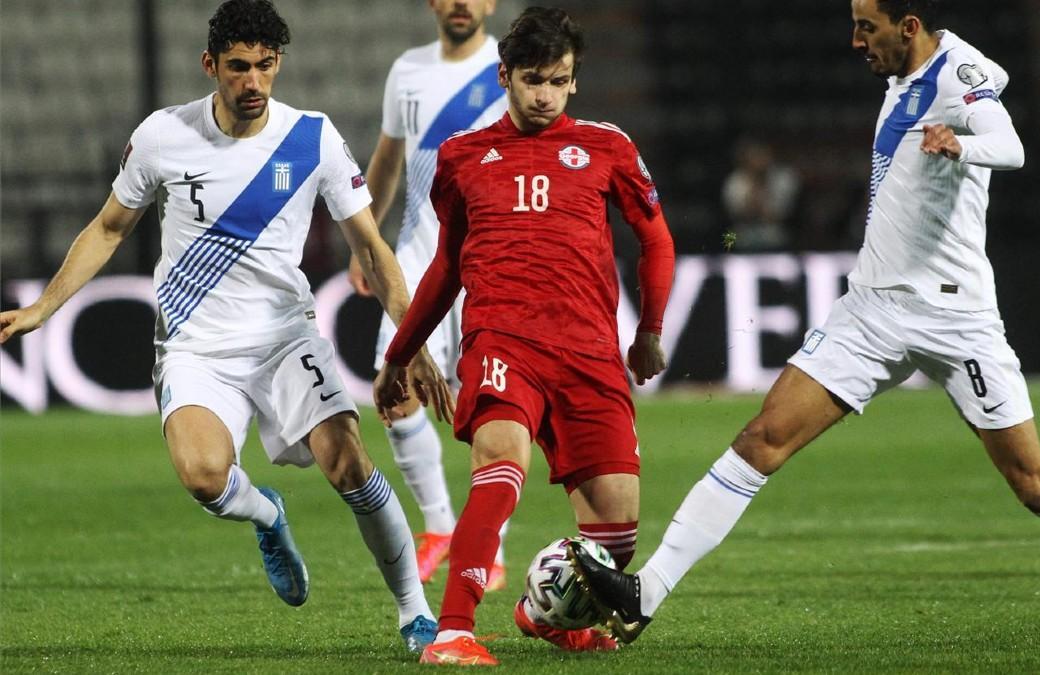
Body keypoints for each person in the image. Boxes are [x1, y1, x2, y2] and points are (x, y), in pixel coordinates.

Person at [568, 0, 1040, 648]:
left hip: (957, 317)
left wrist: (962, 143)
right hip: (872, 309)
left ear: (908, 26)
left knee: (1033, 482)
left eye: (866, 27)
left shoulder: (961, 74)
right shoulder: (901, 77)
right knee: (763, 436)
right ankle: (645, 592)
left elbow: (1008, 145)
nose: (854, 40)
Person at [0, 0, 452, 655]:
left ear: (279, 65)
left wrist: (411, 342)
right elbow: (108, 228)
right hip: (195, 345)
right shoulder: (163, 136)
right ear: (210, 65)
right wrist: (44, 306)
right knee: (204, 475)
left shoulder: (312, 138)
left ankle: (415, 612)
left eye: (266, 66)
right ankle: (267, 514)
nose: (253, 82)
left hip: (284, 338)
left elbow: (374, 251)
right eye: (238, 67)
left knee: (351, 464)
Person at [373, 6, 675, 665]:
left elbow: (655, 238)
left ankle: (544, 615)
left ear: (574, 82)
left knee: (615, 539)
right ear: (504, 76)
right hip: (503, 340)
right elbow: (448, 266)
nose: (544, 94)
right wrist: (401, 354)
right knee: (500, 468)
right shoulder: (462, 158)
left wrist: (649, 331)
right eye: (532, 79)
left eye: (558, 81)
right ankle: (452, 630)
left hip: (589, 350)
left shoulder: (608, 147)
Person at [348, 0, 511, 593]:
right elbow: (386, 162)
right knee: (393, 391)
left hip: (495, 254)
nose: (462, 3)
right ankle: (440, 527)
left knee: (493, 399)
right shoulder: (407, 70)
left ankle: (488, 545)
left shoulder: (510, 65)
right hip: (419, 253)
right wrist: (364, 241)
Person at [721, 136, 801, 252]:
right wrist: (754, 183)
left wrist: (764, 187)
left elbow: (779, 214)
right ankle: (730, 257)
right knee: (729, 237)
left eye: (762, 155)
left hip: (776, 236)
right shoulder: (734, 181)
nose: (759, 161)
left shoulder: (785, 177)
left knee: (778, 235)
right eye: (754, 157)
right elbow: (738, 214)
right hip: (741, 235)